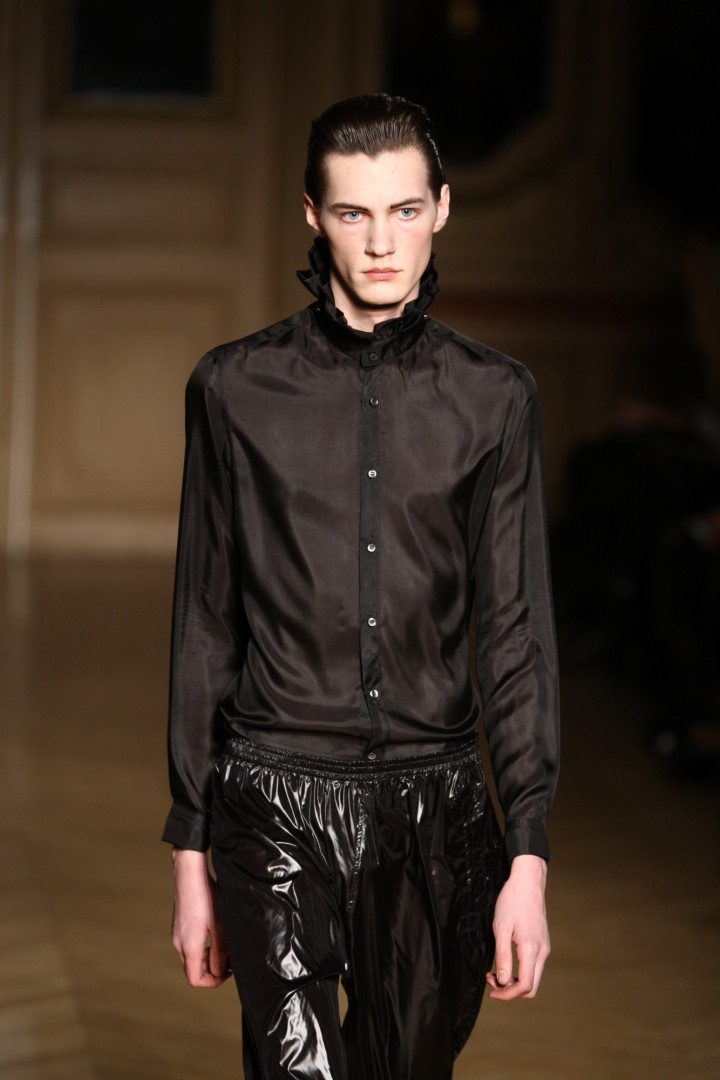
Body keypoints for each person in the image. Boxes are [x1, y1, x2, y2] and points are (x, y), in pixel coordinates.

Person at [162, 93, 560, 1080]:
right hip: (271, 797)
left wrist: (529, 858)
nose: (382, 242)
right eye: (353, 212)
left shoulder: (495, 398)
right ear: (313, 214)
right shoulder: (233, 388)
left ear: (442, 208)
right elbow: (206, 623)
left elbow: (514, 632)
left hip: (438, 811)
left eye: (405, 210)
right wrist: (190, 859)